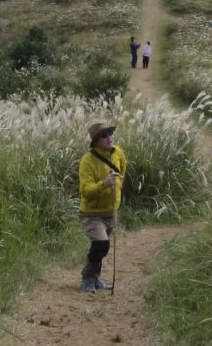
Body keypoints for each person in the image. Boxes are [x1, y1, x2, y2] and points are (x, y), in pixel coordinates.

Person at [78, 119, 127, 293]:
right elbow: (85, 191)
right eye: (104, 135)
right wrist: (104, 185)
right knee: (101, 245)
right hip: (92, 213)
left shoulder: (118, 153)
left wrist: (117, 192)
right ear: (95, 140)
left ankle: (95, 278)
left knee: (100, 248)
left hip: (111, 211)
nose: (109, 137)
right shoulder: (87, 161)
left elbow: (123, 170)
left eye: (111, 133)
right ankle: (87, 279)